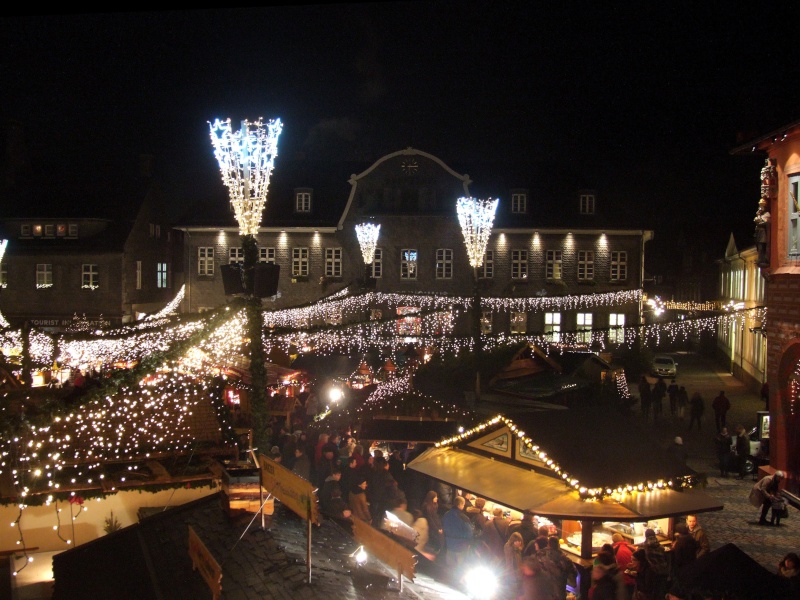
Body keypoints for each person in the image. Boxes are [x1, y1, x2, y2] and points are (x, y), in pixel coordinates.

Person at [442, 495, 475, 569]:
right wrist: (469, 543)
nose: (463, 506)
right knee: (459, 567)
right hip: (460, 546)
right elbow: (469, 533)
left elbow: (444, 526)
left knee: (449, 566)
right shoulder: (463, 518)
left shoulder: (446, 514)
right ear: (460, 505)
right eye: (463, 504)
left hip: (449, 544)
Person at [611, 533, 636, 597]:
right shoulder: (632, 547)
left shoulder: (614, 550)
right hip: (634, 578)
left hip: (623, 580)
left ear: (613, 542)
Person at [504, 531, 525, 595]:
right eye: (518, 541)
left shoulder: (516, 549)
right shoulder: (512, 549)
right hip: (514, 577)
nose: (520, 543)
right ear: (514, 541)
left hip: (516, 576)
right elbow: (512, 564)